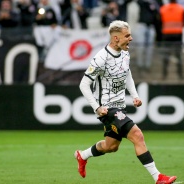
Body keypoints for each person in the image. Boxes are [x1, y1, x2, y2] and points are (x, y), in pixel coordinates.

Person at [75, 20, 177, 184]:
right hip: (108, 109)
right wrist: (97, 107)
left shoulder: (125, 53)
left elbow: (126, 74)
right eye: (127, 35)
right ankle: (158, 177)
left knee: (111, 146)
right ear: (116, 38)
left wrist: (134, 95)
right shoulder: (101, 58)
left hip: (120, 107)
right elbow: (84, 84)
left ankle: (82, 155)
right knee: (137, 135)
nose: (130, 38)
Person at [160, 0, 184, 79]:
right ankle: (180, 75)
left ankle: (164, 75)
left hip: (166, 35)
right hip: (177, 34)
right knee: (178, 55)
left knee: (166, 55)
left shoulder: (163, 8)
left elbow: (159, 21)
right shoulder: (181, 8)